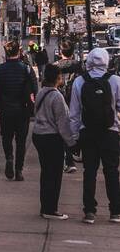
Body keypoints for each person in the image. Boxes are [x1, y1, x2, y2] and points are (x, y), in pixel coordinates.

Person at [69, 47, 120, 223]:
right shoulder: (115, 81)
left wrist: (74, 137)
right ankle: (115, 211)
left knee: (89, 172)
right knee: (112, 171)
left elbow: (74, 113)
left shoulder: (79, 82)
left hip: (87, 132)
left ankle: (89, 211)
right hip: (110, 132)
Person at [32, 63, 77, 220]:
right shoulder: (57, 96)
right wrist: (72, 143)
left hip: (39, 135)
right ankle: (51, 209)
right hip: (51, 137)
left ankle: (45, 206)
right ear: (58, 78)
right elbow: (63, 123)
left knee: (46, 173)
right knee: (55, 174)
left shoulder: (41, 92)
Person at [0, 38, 38, 181]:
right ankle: (19, 169)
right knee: (21, 141)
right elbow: (34, 89)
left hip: (6, 109)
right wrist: (31, 107)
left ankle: (9, 158)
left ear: (6, 53)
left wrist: (0, 105)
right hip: (22, 109)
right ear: (19, 51)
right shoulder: (26, 69)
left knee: (6, 137)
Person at [56, 40, 83, 173]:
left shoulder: (55, 66)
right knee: (72, 128)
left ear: (61, 52)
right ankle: (71, 157)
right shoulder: (78, 66)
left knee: (60, 129)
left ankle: (65, 159)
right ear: (72, 53)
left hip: (59, 99)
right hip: (74, 99)